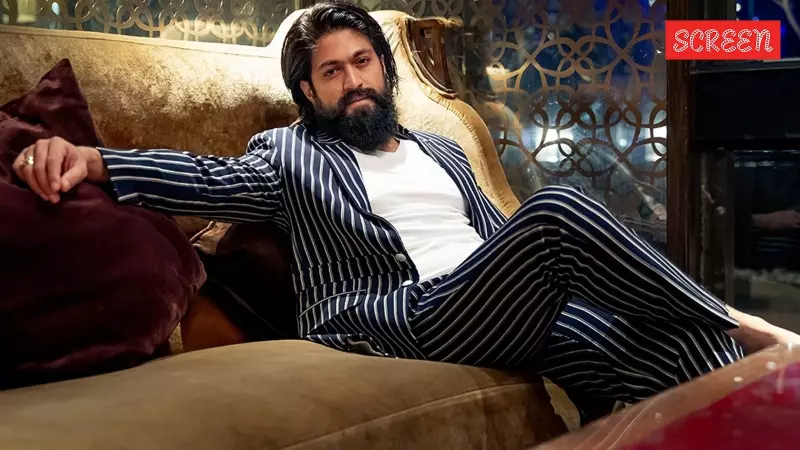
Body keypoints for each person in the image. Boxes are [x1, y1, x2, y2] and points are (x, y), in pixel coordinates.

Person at [12, 0, 799, 421]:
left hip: (494, 305)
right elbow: (207, 179)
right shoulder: (287, 154)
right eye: (332, 72)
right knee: (558, 210)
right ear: (308, 91)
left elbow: (501, 241)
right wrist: (94, 160)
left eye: (363, 62)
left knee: (676, 348)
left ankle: (742, 367)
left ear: (384, 73)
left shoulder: (441, 150)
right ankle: (749, 324)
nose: (353, 80)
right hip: (400, 315)